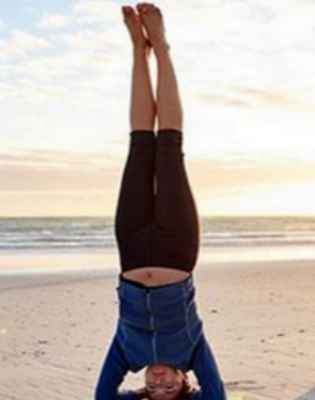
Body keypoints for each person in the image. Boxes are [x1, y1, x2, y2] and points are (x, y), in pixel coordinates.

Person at [95, 3, 226, 400]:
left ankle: (137, 50)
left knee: (139, 144)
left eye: (155, 391)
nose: (160, 383)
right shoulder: (192, 350)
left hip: (132, 251)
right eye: (171, 387)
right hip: (176, 249)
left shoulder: (126, 352)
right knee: (168, 146)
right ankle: (163, 49)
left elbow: (103, 397)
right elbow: (216, 396)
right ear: (187, 382)